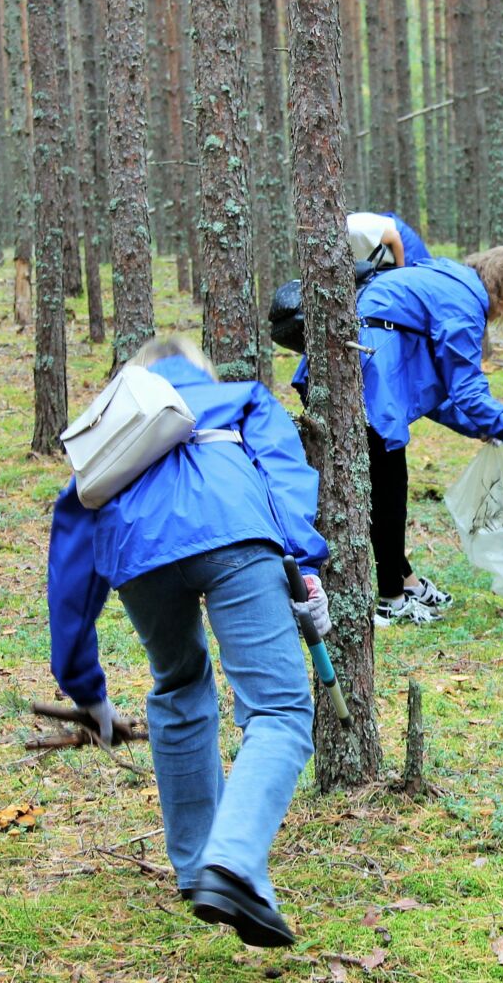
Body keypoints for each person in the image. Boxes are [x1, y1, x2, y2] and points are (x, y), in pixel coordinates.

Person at [47, 335, 329, 949]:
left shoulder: (111, 431)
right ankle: (231, 865)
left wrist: (83, 685)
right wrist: (303, 565)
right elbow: (284, 473)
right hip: (235, 536)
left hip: (140, 561)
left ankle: (198, 865)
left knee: (178, 686)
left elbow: (71, 554)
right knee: (278, 708)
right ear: (195, 368)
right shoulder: (241, 397)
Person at [300, 246, 503, 626]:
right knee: (388, 488)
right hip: (366, 377)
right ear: (501, 286)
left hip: (356, 371)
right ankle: (391, 598)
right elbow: (467, 390)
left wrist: (480, 426)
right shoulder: (463, 301)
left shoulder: (448, 283)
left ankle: (403, 582)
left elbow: (434, 388)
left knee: (384, 483)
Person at [347, 210, 432, 269]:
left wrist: (400, 274)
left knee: (419, 276)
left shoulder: (356, 231)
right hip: (381, 256)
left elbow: (394, 236)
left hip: (400, 241)